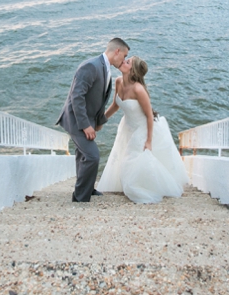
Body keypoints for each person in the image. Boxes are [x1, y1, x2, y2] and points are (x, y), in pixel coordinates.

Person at [97, 56, 188, 204]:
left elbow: (149, 116)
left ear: (132, 71)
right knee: (123, 157)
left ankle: (137, 187)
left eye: (128, 62)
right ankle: (131, 183)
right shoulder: (119, 81)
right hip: (127, 126)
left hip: (143, 128)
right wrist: (100, 121)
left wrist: (149, 141)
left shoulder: (138, 90)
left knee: (130, 160)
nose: (123, 61)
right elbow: (115, 105)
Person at [56, 38, 130, 202]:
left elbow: (98, 99)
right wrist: (85, 125)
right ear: (116, 51)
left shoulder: (105, 68)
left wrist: (97, 122)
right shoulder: (91, 66)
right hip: (76, 119)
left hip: (87, 119)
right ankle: (80, 198)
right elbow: (77, 96)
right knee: (92, 156)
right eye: (124, 55)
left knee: (82, 154)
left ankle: (86, 189)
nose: (124, 60)